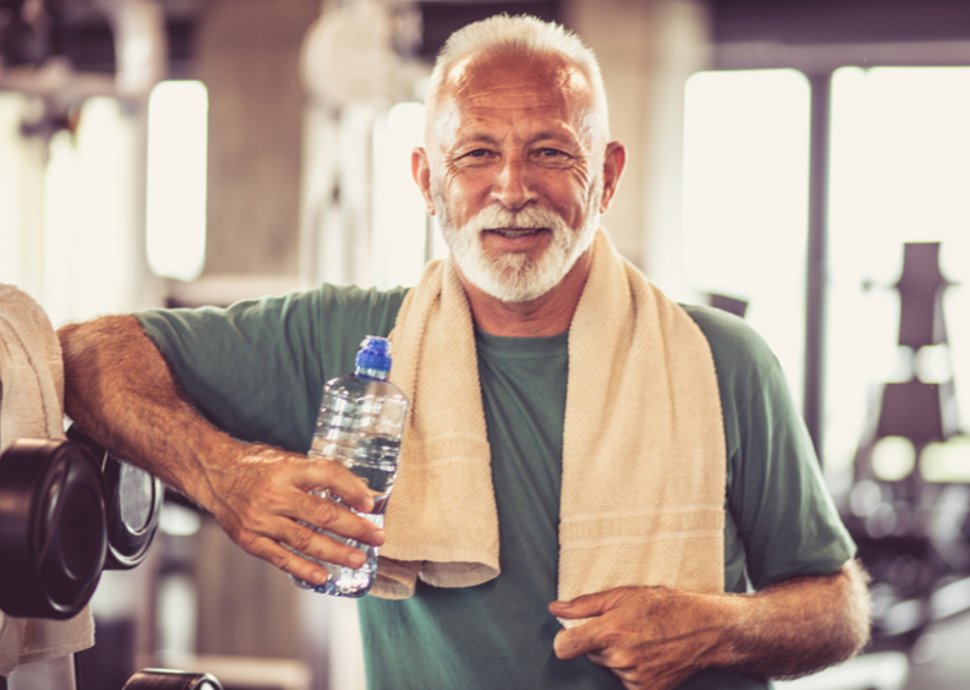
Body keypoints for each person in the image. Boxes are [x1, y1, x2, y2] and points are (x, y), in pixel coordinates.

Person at [58, 14, 870, 690]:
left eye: (551, 152)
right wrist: (223, 476)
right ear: (427, 180)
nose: (512, 187)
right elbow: (88, 354)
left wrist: (721, 626)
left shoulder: (722, 360)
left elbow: (838, 608)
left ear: (608, 176)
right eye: (477, 153)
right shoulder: (347, 339)